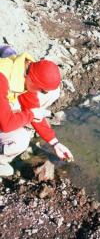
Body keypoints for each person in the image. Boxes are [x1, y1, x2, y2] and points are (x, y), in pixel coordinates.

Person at [0, 48, 74, 177]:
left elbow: (33, 109)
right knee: (20, 139)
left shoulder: (26, 72)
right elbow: (6, 124)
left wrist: (55, 143)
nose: (42, 93)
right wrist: (31, 114)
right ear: (33, 79)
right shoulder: (2, 78)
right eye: (43, 90)